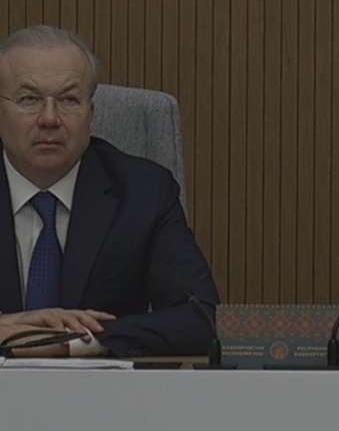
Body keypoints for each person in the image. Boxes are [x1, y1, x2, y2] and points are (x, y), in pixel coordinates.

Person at [0, 25, 219, 357]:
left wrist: (71, 343)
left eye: (69, 100)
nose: (49, 119)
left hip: (103, 388)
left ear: (91, 116)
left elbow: (201, 318)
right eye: (29, 99)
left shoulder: (143, 193)